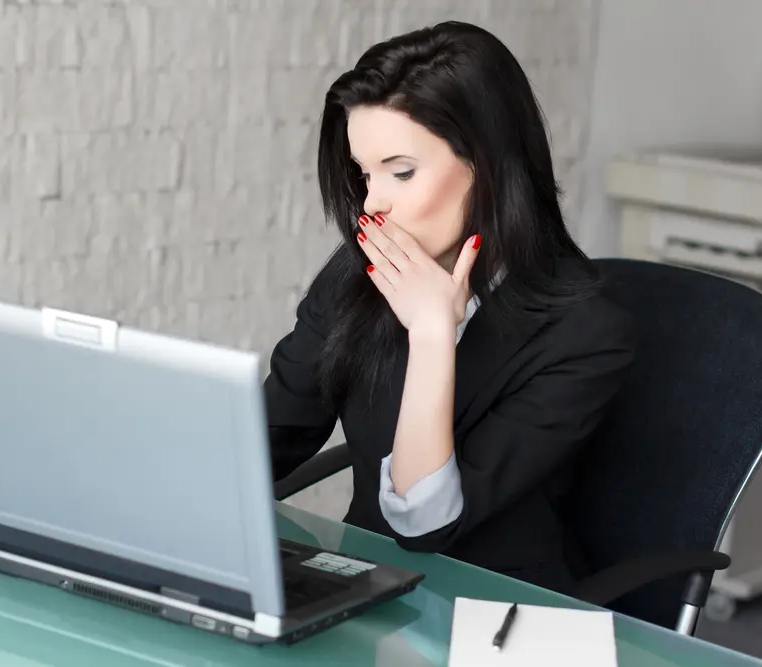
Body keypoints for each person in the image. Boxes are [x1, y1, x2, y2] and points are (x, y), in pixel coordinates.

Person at [263, 21, 636, 595]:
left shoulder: (586, 330)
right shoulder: (357, 274)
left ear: (488, 164)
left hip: (494, 607)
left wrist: (433, 334)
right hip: (364, 588)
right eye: (365, 174)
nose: (374, 202)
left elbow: (425, 523)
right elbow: (272, 435)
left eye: (401, 171)